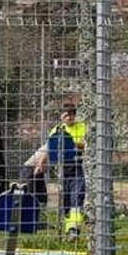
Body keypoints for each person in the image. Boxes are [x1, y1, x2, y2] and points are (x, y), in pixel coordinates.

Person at [48, 103, 87, 240]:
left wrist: (71, 144)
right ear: (61, 116)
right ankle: (68, 228)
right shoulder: (57, 130)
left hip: (79, 168)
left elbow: (87, 144)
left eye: (72, 114)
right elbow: (51, 148)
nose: (70, 117)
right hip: (63, 170)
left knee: (77, 198)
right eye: (66, 114)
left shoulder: (82, 127)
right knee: (65, 202)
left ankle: (74, 229)